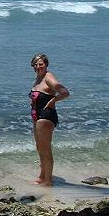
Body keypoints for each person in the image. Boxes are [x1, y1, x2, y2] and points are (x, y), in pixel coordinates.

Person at [28, 53, 70, 186]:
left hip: (46, 116)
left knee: (45, 150)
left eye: (41, 64)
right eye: (35, 65)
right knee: (39, 147)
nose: (38, 67)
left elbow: (64, 92)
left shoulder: (48, 77)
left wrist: (53, 101)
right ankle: (42, 176)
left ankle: (48, 181)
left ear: (46, 65)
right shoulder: (38, 78)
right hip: (37, 116)